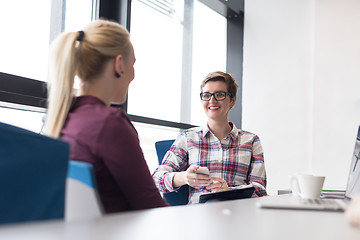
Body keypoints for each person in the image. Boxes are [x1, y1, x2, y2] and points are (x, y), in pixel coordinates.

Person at [45, 19, 168, 213]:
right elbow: (152, 207)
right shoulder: (108, 123)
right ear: (119, 64)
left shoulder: (65, 119)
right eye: (133, 63)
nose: (133, 74)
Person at [153, 71, 267, 204]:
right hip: (198, 217)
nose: (212, 100)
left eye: (219, 95)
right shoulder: (188, 138)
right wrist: (185, 177)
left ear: (232, 100)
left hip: (238, 214)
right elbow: (157, 179)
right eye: (206, 95)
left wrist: (229, 192)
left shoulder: (251, 141)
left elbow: (260, 191)